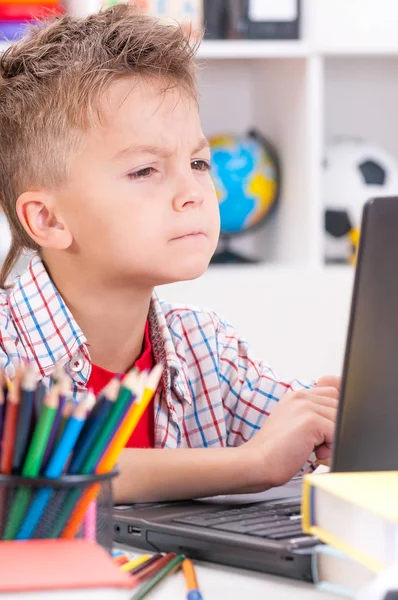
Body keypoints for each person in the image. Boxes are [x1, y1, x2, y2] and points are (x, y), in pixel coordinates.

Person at [0, 5, 339, 503]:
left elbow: (296, 431)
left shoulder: (206, 349)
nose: (195, 192)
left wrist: (339, 420)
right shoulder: (8, 351)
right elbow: (40, 471)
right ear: (48, 220)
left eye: (199, 162)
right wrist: (250, 463)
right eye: (144, 171)